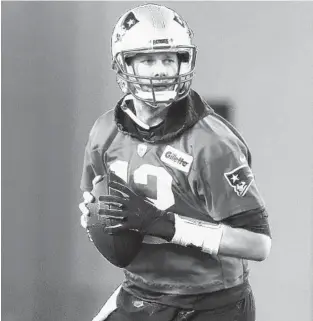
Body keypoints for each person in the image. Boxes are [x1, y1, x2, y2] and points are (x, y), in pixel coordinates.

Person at [79, 3, 272, 321]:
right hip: (142, 292)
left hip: (213, 301)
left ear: (184, 63)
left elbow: (258, 244)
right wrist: (97, 221)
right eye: (148, 60)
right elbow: (93, 205)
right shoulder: (105, 132)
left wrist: (165, 225)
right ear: (123, 65)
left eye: (169, 59)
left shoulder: (213, 143)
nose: (160, 70)